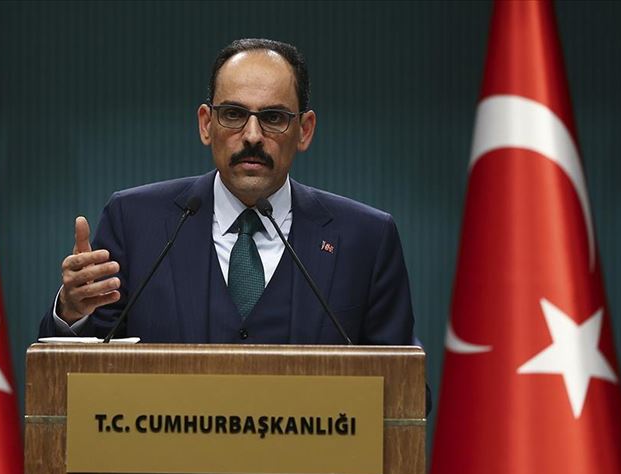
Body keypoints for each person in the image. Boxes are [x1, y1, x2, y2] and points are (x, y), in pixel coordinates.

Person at [38, 38, 416, 346]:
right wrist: (72, 312)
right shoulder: (135, 222)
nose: (252, 136)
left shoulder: (366, 238)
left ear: (304, 130)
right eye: (233, 114)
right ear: (207, 124)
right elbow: (85, 371)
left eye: (273, 118)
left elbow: (404, 389)